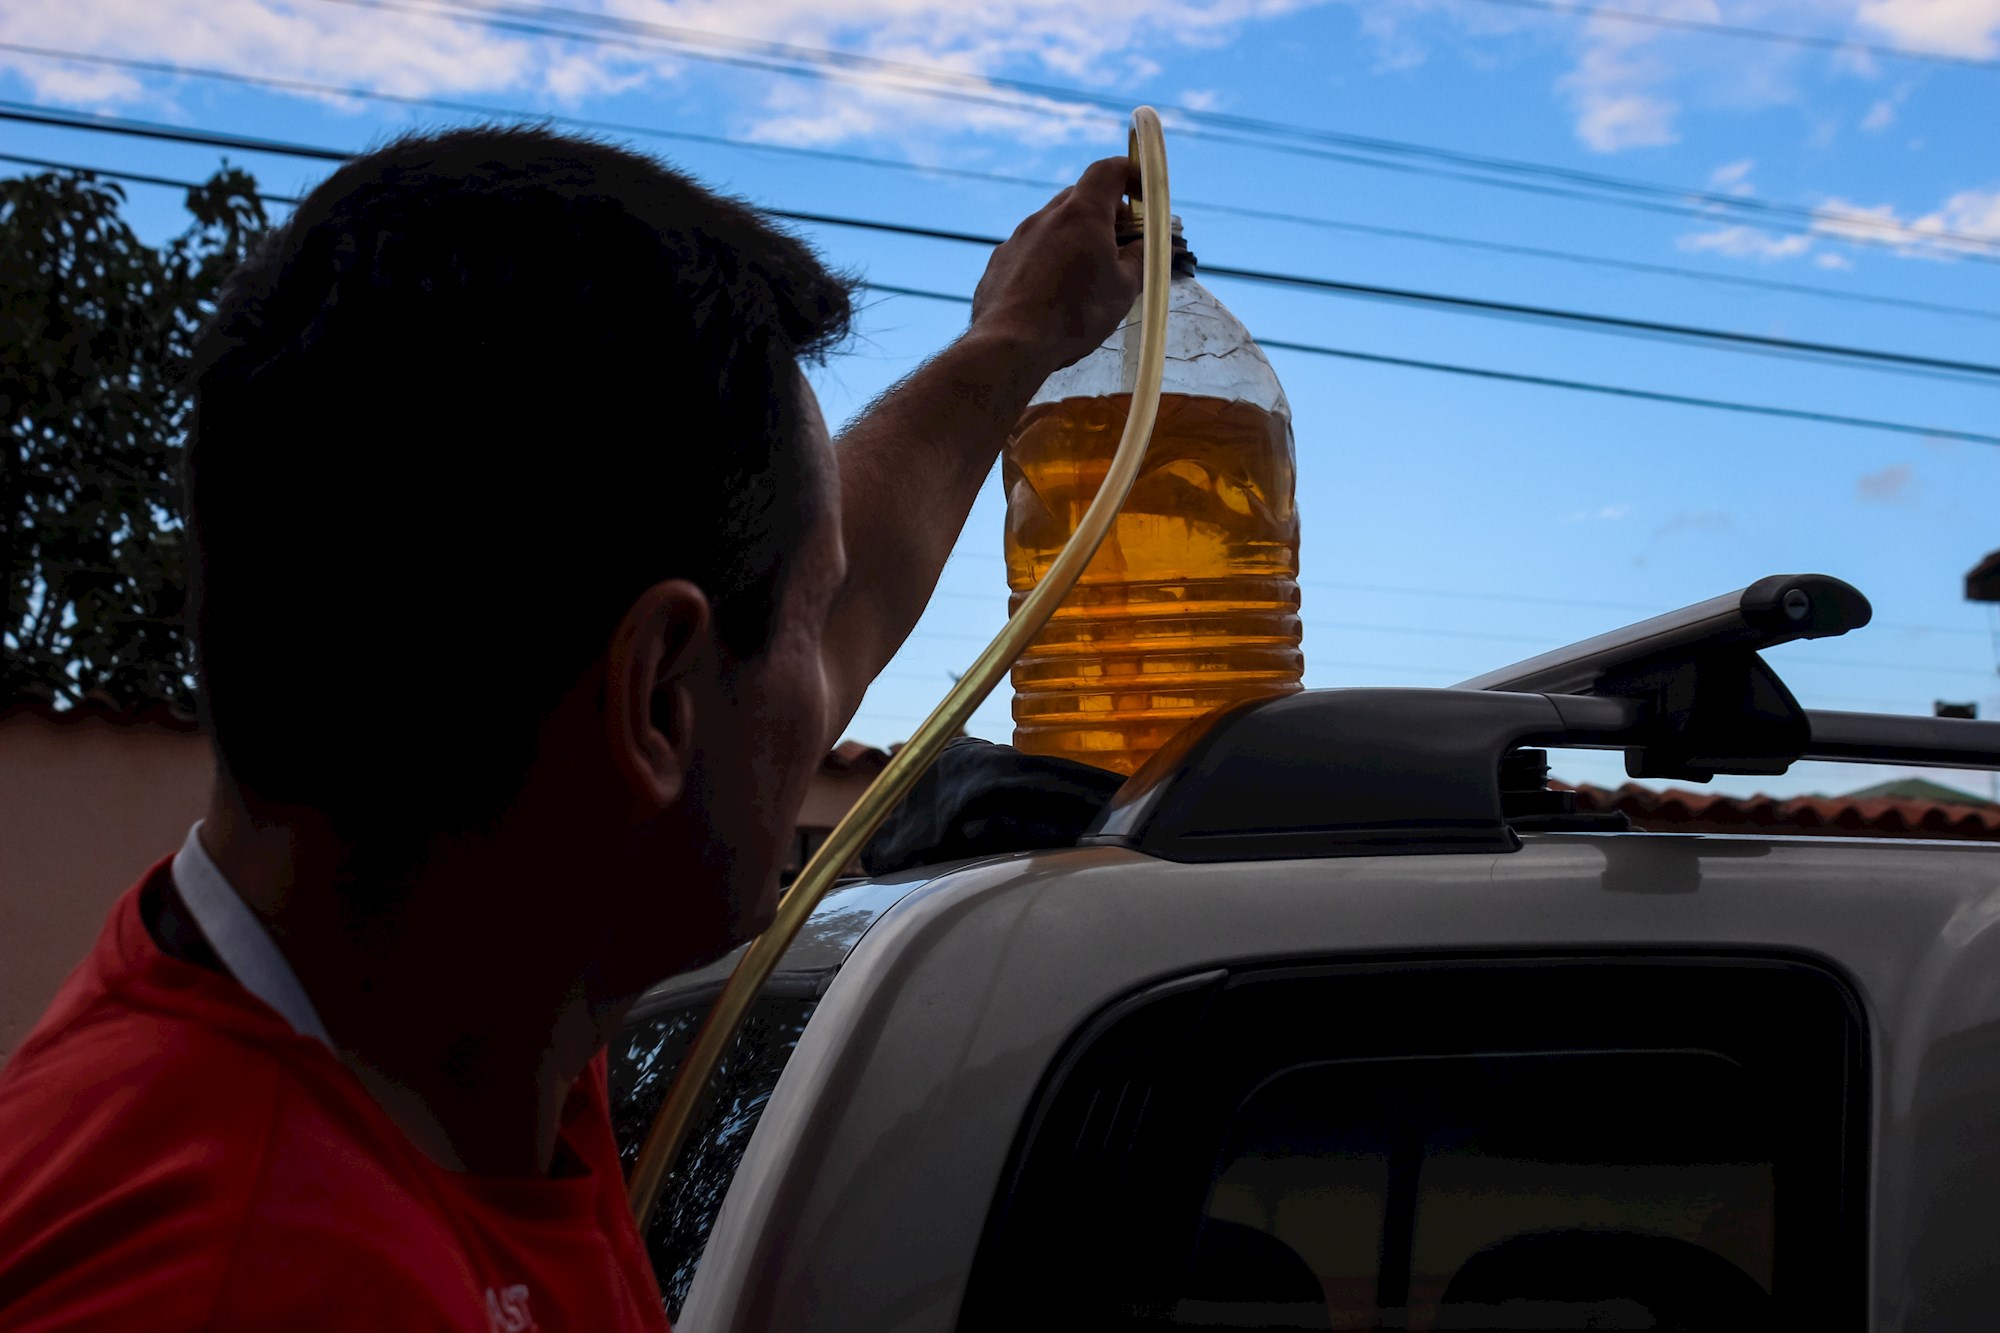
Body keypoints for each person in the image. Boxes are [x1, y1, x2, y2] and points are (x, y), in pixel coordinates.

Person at [0, 126, 1141, 1330]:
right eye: (803, 626)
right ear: (652, 703)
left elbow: (825, 600)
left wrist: (1014, 342)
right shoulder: (251, 1278)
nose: (826, 685)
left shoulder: (452, 991)